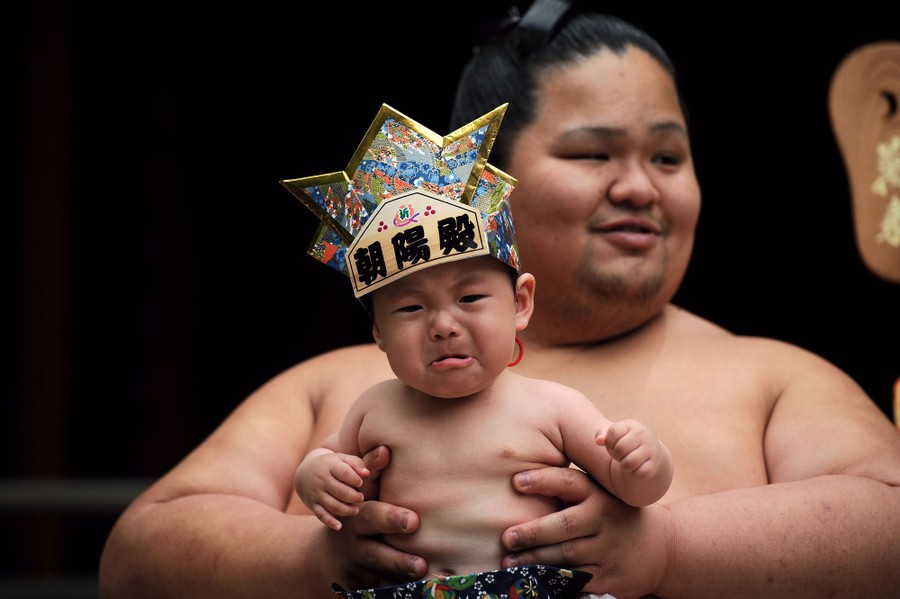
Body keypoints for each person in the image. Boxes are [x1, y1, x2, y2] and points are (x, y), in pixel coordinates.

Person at [98, 2, 900, 598]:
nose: (638, 187)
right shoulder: (333, 384)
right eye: (593, 153)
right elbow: (138, 553)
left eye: (668, 155)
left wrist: (667, 547)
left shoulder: (773, 378)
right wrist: (306, 559)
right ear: (486, 191)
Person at [289, 103, 672, 595]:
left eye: (470, 298)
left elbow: (635, 490)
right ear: (379, 334)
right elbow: (325, 456)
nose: (443, 326)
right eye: (409, 309)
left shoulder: (552, 406)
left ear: (520, 303)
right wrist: (316, 475)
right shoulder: (374, 408)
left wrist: (645, 460)